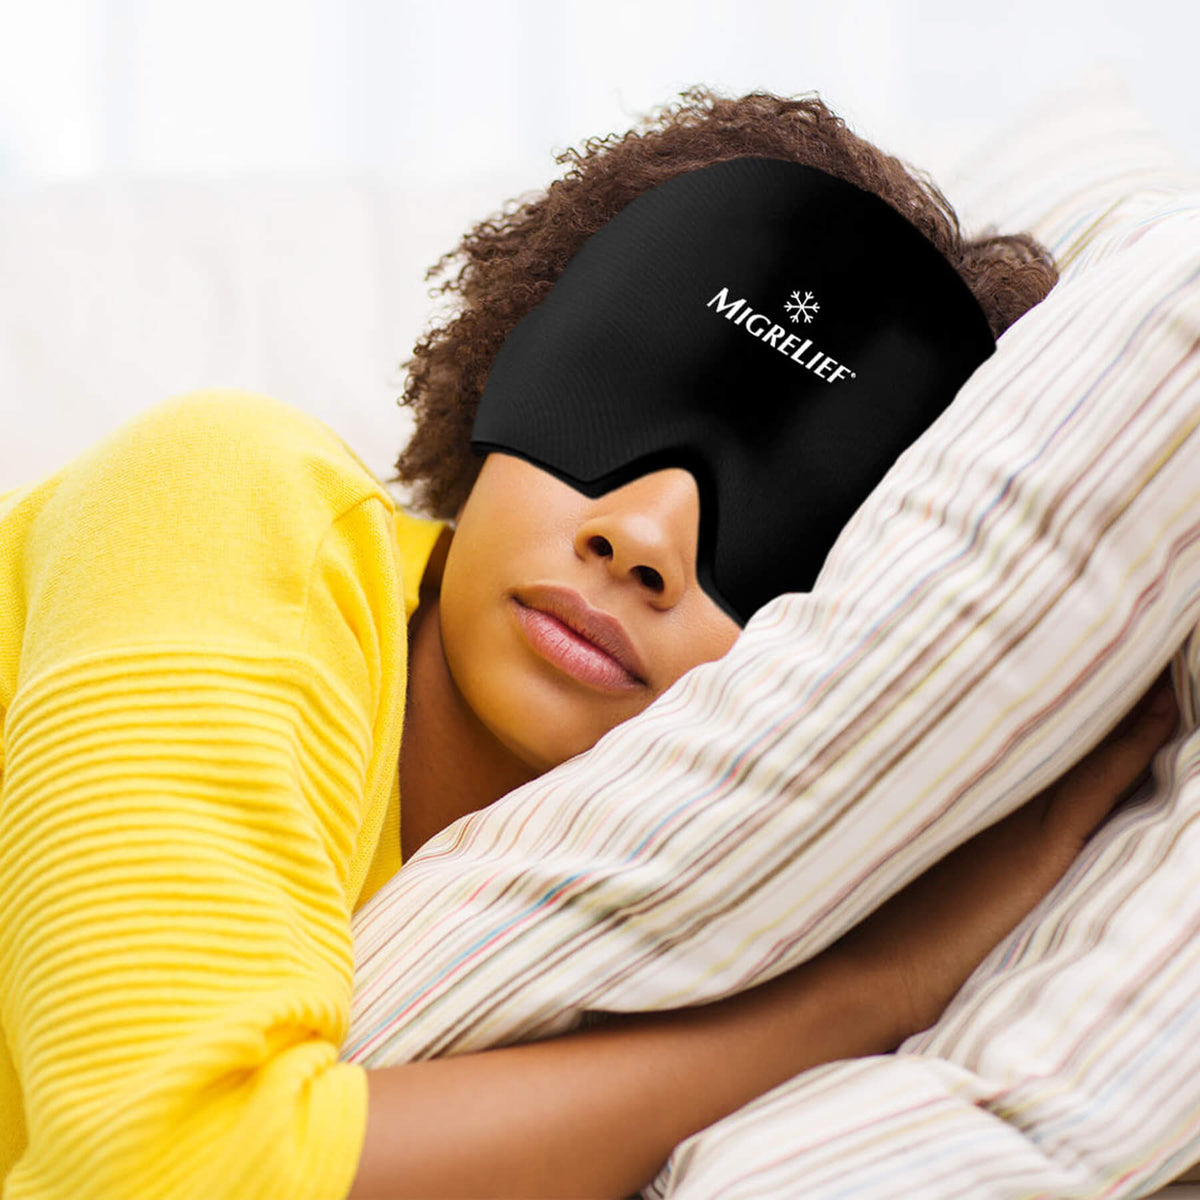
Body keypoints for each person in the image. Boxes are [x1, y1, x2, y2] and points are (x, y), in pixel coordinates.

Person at [0, 86, 1177, 1200]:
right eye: (626, 393)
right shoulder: (224, 499)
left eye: (793, 504)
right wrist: (866, 995)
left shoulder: (639, 937)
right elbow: (161, 1168)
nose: (642, 538)